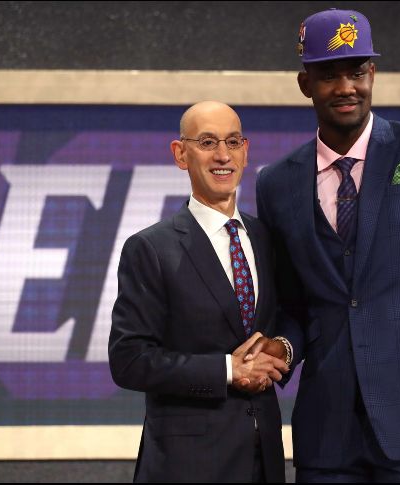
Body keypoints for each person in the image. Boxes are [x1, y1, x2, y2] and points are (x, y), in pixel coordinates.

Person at [249, 8, 400, 483]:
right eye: (329, 75)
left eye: (357, 72)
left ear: (373, 74)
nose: (346, 87)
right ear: (305, 84)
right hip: (325, 434)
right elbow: (295, 305)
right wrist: (282, 345)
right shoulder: (276, 183)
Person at [108, 101, 288, 483]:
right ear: (180, 154)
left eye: (232, 142)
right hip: (186, 466)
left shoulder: (267, 239)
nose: (223, 155)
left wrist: (282, 349)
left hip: (265, 459)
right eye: (207, 142)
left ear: (246, 150)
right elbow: (129, 359)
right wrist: (227, 370)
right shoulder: (151, 249)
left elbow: (295, 317)